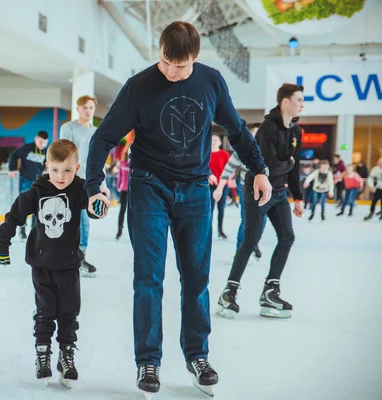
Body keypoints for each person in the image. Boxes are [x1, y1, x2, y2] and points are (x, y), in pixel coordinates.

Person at [83, 21, 271, 397]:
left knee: (197, 279)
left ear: (196, 59)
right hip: (149, 186)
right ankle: (148, 361)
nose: (172, 72)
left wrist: (260, 169)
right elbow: (104, 136)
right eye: (167, 62)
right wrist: (93, 184)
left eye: (181, 66)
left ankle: (197, 355)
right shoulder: (139, 86)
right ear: (161, 52)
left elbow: (236, 129)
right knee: (148, 278)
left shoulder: (211, 81)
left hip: (196, 190)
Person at [0, 139, 94, 388]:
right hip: (41, 264)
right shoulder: (37, 190)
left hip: (69, 264)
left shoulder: (80, 189)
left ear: (77, 168)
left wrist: (99, 202)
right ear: (47, 166)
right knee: (46, 311)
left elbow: (93, 208)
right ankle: (43, 352)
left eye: (67, 171)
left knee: (69, 312)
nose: (61, 177)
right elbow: (14, 215)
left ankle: (66, 355)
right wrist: (2, 244)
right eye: (55, 170)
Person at [217, 83, 305, 321]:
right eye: (298, 99)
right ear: (285, 102)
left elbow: (292, 170)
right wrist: (289, 164)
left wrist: (298, 197)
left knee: (287, 237)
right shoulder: (267, 127)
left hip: (279, 193)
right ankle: (229, 292)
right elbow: (267, 166)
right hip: (257, 189)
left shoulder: (296, 133)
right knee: (251, 238)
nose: (302, 104)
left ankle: (270, 291)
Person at [60, 95, 111, 278]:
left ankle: (80, 257)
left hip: (90, 184)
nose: (88, 110)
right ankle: (65, 257)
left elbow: (100, 161)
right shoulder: (68, 128)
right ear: (78, 109)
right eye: (84, 107)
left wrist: (102, 183)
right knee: (68, 219)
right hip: (70, 181)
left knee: (85, 221)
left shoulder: (97, 132)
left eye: (91, 107)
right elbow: (64, 154)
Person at [212, 123, 264, 259]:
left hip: (265, 188)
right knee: (246, 218)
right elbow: (228, 169)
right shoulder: (243, 150)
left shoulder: (270, 149)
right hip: (245, 186)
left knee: (261, 219)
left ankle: (253, 242)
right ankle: (240, 253)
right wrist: (219, 188)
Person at [8, 130, 49, 239]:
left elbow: (49, 164)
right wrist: (11, 169)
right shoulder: (26, 148)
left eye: (44, 143)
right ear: (36, 139)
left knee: (37, 206)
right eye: (40, 142)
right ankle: (22, 229)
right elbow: (13, 155)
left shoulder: (47, 152)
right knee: (24, 206)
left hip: (38, 182)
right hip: (25, 180)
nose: (42, 145)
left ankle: (34, 230)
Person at [209, 134, 230, 238]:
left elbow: (230, 169)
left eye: (215, 140)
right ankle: (208, 230)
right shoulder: (206, 154)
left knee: (221, 209)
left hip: (222, 185)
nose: (213, 141)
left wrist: (229, 180)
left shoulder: (224, 154)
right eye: (212, 139)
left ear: (220, 143)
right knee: (210, 209)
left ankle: (220, 229)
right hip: (209, 186)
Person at [116, 148, 130, 240]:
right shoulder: (123, 163)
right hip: (124, 190)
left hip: (133, 190)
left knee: (133, 211)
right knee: (122, 210)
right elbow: (120, 176)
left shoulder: (134, 164)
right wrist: (118, 186)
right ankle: (119, 229)